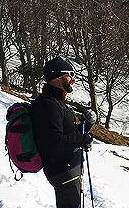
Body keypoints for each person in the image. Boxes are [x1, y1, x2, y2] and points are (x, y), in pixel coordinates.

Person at [31, 56, 93, 208]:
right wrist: (82, 140)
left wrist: (87, 125)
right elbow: (54, 141)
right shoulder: (48, 105)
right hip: (62, 171)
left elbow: (66, 134)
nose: (74, 79)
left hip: (67, 169)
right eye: (71, 74)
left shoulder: (56, 102)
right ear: (58, 76)